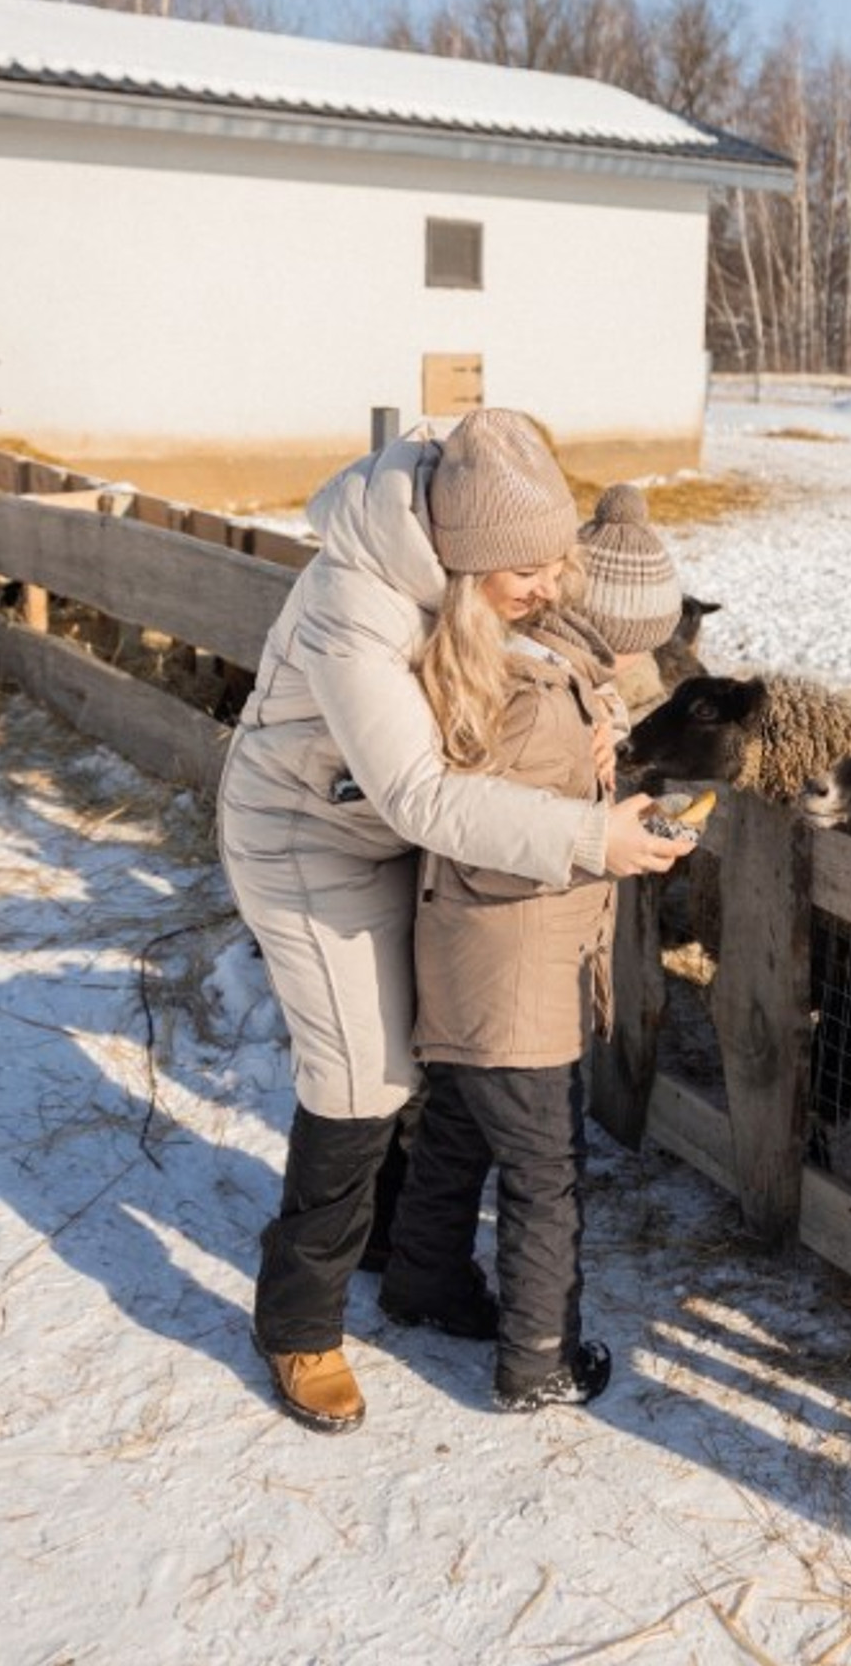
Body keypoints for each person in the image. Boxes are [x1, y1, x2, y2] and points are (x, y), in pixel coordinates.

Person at [217, 408, 681, 1433]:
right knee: (360, 1074)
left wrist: (592, 713)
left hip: (396, 840)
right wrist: (581, 835)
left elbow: (522, 655)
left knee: (418, 1055)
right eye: (532, 570)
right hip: (308, 841)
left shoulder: (467, 551)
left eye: (556, 565)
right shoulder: (354, 607)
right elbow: (421, 792)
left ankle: (389, 1248)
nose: (549, 588)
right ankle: (297, 1320)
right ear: (467, 562)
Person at [379, 482, 685, 1411]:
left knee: (460, 1131)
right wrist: (611, 838)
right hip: (516, 968)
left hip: (482, 963)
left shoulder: (543, 677)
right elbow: (489, 828)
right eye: (643, 639)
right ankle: (536, 1359)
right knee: (547, 1171)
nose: (645, 659)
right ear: (610, 623)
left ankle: (419, 1281)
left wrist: (598, 786)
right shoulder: (538, 699)